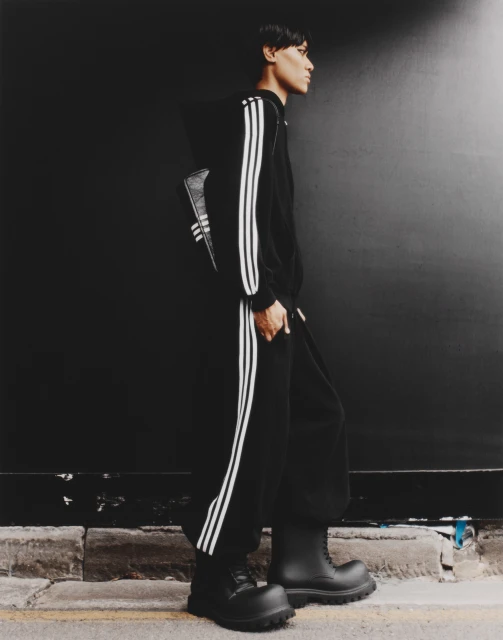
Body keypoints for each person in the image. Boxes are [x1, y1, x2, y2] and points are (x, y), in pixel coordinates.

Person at [179, 19, 377, 632]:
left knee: (317, 414)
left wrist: (287, 296)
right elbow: (237, 211)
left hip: (277, 301)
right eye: (301, 51)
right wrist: (259, 294)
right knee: (249, 435)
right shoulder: (255, 112)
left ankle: (299, 561)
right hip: (252, 303)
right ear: (270, 52)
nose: (310, 63)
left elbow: (269, 220)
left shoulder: (273, 120)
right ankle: (217, 576)